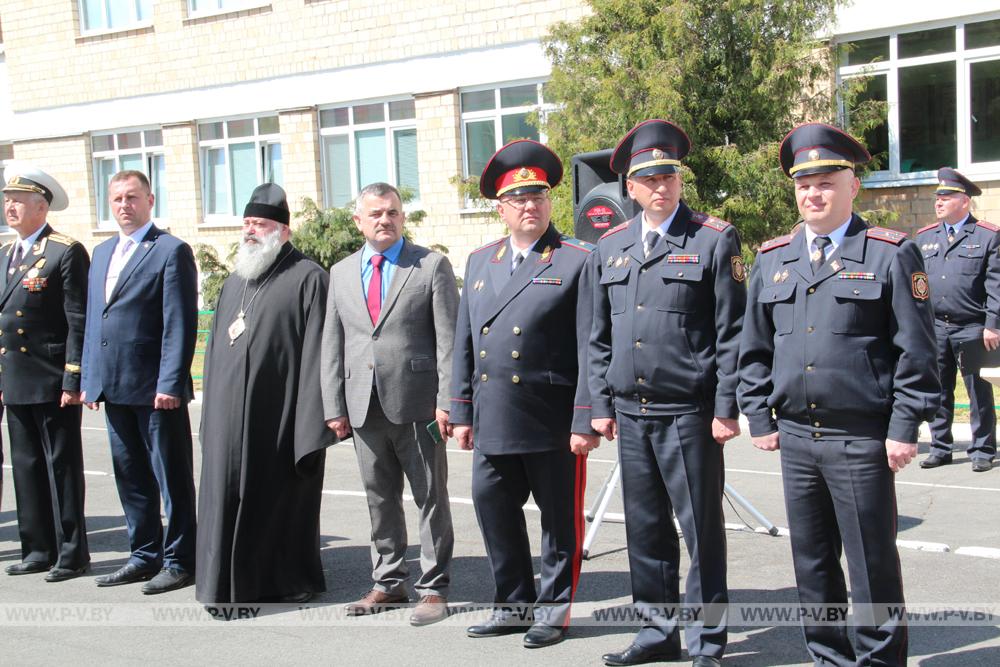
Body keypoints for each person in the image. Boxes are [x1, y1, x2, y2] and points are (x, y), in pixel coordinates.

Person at [737, 123, 940, 666]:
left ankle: (879, 660)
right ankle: (828, 656)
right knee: (813, 563)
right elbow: (752, 348)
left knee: (871, 563)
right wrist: (759, 416)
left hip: (862, 438)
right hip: (799, 439)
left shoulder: (891, 254)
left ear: (854, 186)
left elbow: (918, 353)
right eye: (804, 185)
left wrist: (903, 428)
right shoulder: (774, 258)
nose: (814, 194)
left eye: (826, 182)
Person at [590, 120, 745, 667]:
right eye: (648, 178)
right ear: (629, 188)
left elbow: (733, 332)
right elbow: (598, 335)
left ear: (680, 181)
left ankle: (707, 643)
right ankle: (656, 632)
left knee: (700, 530)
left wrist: (728, 407)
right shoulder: (609, 246)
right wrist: (601, 405)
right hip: (631, 413)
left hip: (689, 412)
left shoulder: (713, 238)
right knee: (645, 527)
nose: (660, 187)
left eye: (669, 176)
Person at [450, 140, 599, 649]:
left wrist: (585, 419)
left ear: (550, 202)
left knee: (560, 522)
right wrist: (461, 411)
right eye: (518, 200)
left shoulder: (578, 259)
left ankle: (554, 611)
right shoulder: (479, 262)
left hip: (550, 416)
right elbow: (465, 343)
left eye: (537, 196)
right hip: (494, 416)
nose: (529, 206)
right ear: (502, 208)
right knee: (492, 507)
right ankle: (512, 603)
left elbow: (590, 346)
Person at [321, 182, 459, 626]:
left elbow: (449, 342)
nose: (385, 220)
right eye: (376, 213)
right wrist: (333, 404)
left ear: (403, 218)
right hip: (363, 404)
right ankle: (388, 581)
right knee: (379, 497)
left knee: (429, 496)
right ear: (358, 220)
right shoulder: (340, 273)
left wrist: (448, 400)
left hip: (419, 405)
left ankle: (433, 588)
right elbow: (333, 343)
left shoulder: (431, 265)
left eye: (393, 213)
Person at [197, 183, 333, 605]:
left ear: (284, 231)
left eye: (262, 224)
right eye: (248, 223)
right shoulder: (236, 281)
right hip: (227, 417)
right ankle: (223, 584)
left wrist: (311, 423)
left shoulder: (309, 278)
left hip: (280, 418)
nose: (252, 231)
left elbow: (319, 354)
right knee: (224, 497)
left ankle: (285, 582)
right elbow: (217, 349)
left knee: (277, 500)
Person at [82, 170, 199, 594]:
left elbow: (178, 323)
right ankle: (143, 554)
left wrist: (170, 382)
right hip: (113, 388)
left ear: (151, 200)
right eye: (116, 199)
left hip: (155, 392)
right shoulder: (102, 253)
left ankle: (180, 559)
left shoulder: (169, 251)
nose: (124, 206)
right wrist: (90, 379)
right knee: (130, 477)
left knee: (171, 478)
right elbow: (97, 318)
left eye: (132, 197)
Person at [0, 163, 90, 582]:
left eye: (17, 201)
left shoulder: (63, 250)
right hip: (15, 377)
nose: (9, 207)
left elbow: (77, 320)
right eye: (7, 201)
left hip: (52, 376)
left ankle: (71, 553)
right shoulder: (4, 254)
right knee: (26, 464)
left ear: (41, 206)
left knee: (62, 467)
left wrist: (73, 378)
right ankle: (37, 547)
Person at [916, 168, 999, 473]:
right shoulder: (925, 237)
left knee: (978, 390)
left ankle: (982, 448)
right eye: (937, 197)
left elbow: (996, 284)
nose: (938, 202)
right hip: (935, 326)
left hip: (973, 326)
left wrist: (993, 323)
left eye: (946, 197)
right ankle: (941, 447)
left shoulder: (988, 236)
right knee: (938, 388)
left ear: (964, 201)